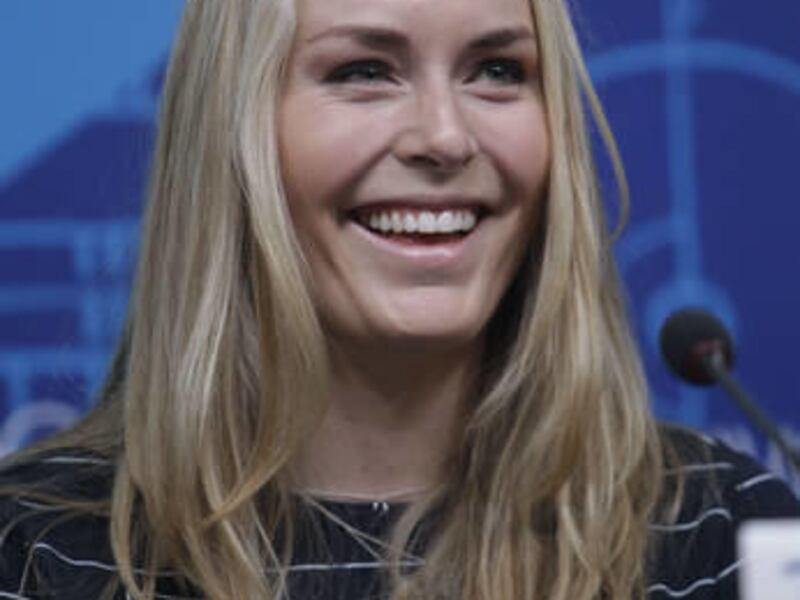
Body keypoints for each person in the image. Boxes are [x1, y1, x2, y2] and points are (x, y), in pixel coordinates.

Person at [0, 0, 798, 599]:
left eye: (497, 71)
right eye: (363, 72)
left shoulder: (722, 533)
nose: (445, 137)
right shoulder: (37, 551)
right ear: (231, 135)